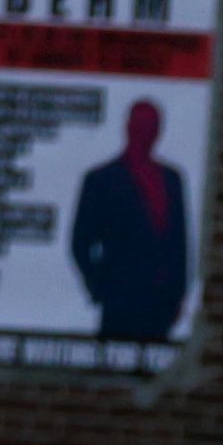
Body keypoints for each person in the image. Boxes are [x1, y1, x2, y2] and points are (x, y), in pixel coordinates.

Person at [66, 96, 194, 353]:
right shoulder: (102, 180)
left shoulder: (171, 179)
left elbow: (180, 242)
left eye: (152, 125)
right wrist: (101, 287)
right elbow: (80, 242)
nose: (147, 132)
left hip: (160, 303)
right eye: (142, 124)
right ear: (129, 127)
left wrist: (178, 294)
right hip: (120, 303)